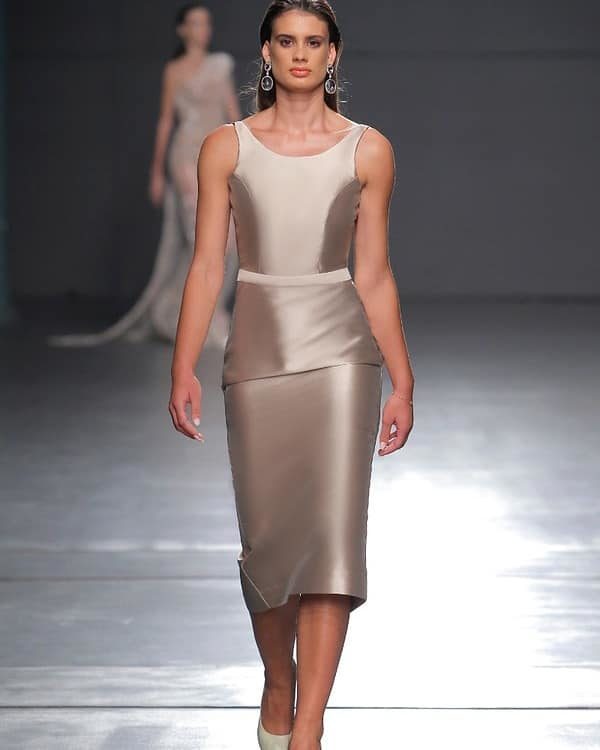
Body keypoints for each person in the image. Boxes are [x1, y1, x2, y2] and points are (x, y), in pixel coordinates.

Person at [168, 1, 415, 748]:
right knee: (268, 546)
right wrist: (183, 363)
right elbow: (207, 265)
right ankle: (280, 681)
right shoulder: (227, 147)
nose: (300, 53)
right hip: (258, 354)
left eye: (314, 41)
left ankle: (308, 732)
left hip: (342, 358)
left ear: (333, 54)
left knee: (333, 542)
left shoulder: (368, 150)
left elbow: (374, 274)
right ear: (266, 53)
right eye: (286, 40)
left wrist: (401, 380)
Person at [47, 3, 240, 348]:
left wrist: (243, 157)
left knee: (230, 241)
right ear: (182, 30)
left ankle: (189, 312)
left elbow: (232, 113)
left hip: (217, 155)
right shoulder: (174, 70)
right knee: (203, 239)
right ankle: (188, 317)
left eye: (206, 23)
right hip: (185, 158)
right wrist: (156, 172)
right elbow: (166, 121)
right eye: (196, 23)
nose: (203, 29)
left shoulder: (220, 65)